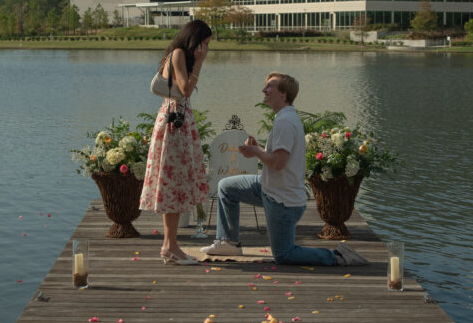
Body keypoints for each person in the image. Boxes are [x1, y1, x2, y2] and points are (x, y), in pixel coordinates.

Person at [201, 71, 367, 267]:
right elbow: (280, 159)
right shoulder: (284, 118)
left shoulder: (285, 122)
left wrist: (256, 152)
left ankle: (338, 257)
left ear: (284, 93)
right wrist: (260, 150)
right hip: (269, 187)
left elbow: (278, 163)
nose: (264, 89)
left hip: (282, 200)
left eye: (270, 86)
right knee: (226, 187)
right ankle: (228, 242)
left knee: (284, 255)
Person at [140, 19, 212, 265]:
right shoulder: (179, 54)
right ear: (195, 40)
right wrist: (199, 64)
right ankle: (170, 246)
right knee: (173, 183)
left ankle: (170, 246)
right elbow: (185, 89)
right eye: (204, 44)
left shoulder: (180, 54)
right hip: (174, 124)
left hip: (177, 121)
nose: (205, 49)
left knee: (177, 183)